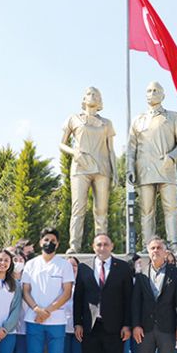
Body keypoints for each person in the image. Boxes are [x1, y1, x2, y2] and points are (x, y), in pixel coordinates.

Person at [74, 233, 133, 353]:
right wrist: (78, 323)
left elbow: (128, 299)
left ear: (112, 246)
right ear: (93, 247)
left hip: (114, 328)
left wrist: (127, 324)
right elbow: (78, 298)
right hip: (90, 328)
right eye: (99, 244)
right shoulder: (84, 268)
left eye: (106, 244)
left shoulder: (122, 267)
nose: (102, 248)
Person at [127, 82, 177, 252]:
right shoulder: (138, 120)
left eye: (156, 90)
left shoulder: (173, 117)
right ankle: (148, 245)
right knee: (146, 210)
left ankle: (174, 243)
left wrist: (172, 157)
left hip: (166, 169)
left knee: (171, 208)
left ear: (163, 96)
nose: (152, 93)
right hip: (144, 171)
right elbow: (131, 148)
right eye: (149, 90)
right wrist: (130, 168)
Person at [22, 227, 74, 353]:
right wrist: (37, 310)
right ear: (40, 242)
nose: (48, 243)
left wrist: (48, 311)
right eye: (45, 239)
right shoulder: (31, 264)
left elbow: (66, 292)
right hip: (34, 320)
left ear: (57, 244)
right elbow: (25, 290)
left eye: (52, 240)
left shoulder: (64, 265)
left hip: (57, 322)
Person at [59, 87, 118, 254]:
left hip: (102, 169)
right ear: (83, 99)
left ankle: (102, 247)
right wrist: (74, 152)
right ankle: (74, 246)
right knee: (78, 208)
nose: (92, 96)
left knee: (101, 210)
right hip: (80, 167)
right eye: (89, 94)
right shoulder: (74, 119)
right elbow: (61, 143)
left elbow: (111, 150)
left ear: (100, 101)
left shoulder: (107, 123)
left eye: (96, 94)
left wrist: (115, 172)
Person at [62, 256, 83, 353]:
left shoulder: (82, 284)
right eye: (68, 266)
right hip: (61, 328)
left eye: (74, 265)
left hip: (78, 329)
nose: (71, 268)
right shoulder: (59, 285)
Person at [11, 249, 30, 353]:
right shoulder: (4, 280)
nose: (17, 263)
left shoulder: (29, 280)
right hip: (7, 331)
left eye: (20, 259)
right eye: (14, 259)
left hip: (24, 330)